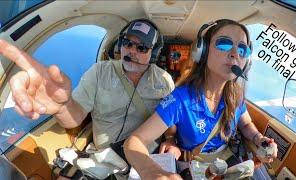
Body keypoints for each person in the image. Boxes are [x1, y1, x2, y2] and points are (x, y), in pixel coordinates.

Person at [0, 18, 175, 173]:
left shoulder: (163, 81)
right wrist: (62, 106)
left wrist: (170, 139)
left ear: (153, 53)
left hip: (146, 156)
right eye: (127, 43)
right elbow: (74, 119)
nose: (132, 51)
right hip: (103, 160)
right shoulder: (98, 72)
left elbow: (170, 118)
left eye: (141, 47)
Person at [124, 19, 278, 179]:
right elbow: (134, 141)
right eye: (224, 44)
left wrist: (259, 138)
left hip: (227, 162)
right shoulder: (180, 99)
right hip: (194, 165)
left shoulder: (236, 95)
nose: (234, 53)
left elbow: (245, 124)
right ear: (203, 51)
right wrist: (155, 173)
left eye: (242, 49)